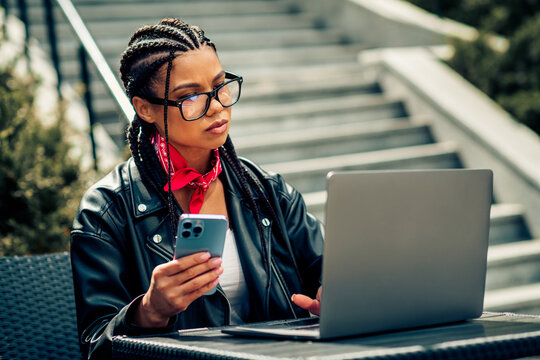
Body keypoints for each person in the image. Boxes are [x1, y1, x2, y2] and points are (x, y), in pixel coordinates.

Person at [70, 18, 323, 360]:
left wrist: (335, 294)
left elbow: (327, 268)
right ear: (144, 108)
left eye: (220, 86)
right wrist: (150, 310)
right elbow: (95, 348)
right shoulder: (106, 211)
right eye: (190, 97)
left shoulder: (267, 190)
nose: (217, 106)